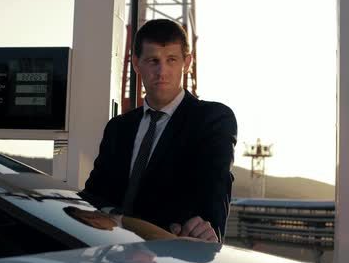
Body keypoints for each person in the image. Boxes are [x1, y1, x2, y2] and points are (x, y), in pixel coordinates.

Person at [83, 19, 237, 242]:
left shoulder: (212, 120)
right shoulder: (118, 128)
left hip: (170, 257)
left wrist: (208, 228)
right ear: (136, 64)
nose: (162, 71)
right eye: (153, 61)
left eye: (171, 60)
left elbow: (215, 184)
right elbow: (93, 196)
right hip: (110, 253)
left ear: (187, 62)